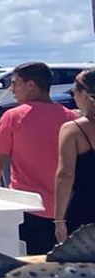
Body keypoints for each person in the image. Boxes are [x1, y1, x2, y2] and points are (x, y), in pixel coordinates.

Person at [0, 61, 75, 254]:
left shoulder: (12, 117)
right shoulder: (71, 119)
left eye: (15, 83)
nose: (11, 89)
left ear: (31, 85)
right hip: (66, 209)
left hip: (28, 207)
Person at [53, 67, 95, 241]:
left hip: (86, 208)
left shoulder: (74, 129)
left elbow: (65, 175)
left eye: (73, 91)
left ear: (84, 94)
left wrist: (59, 220)